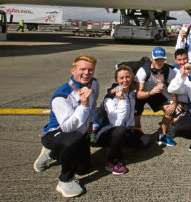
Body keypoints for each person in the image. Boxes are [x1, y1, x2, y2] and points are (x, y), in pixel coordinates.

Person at [33, 55, 100, 198]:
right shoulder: (62, 96)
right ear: (73, 70)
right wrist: (84, 105)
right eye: (82, 69)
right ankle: (65, 179)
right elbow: (67, 128)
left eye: (90, 70)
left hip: (80, 130)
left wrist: (89, 126)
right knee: (72, 138)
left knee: (83, 169)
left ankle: (53, 154)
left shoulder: (93, 83)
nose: (87, 73)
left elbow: (93, 107)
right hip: (57, 132)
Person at [97, 65, 151, 175]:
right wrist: (122, 99)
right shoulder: (111, 96)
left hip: (124, 129)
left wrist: (132, 126)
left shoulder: (130, 93)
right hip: (109, 131)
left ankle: (115, 147)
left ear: (131, 77)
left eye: (127, 77)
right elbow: (117, 123)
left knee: (145, 141)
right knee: (120, 130)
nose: (125, 80)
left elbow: (130, 114)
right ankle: (111, 161)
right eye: (121, 78)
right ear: (117, 80)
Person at [134, 47, 177, 147]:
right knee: (136, 116)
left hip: (155, 93)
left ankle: (162, 135)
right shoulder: (143, 71)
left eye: (161, 59)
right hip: (144, 94)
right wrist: (151, 92)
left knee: (169, 110)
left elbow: (175, 87)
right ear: (151, 59)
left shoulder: (168, 70)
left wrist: (174, 103)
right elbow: (138, 94)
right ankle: (138, 135)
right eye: (156, 59)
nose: (159, 62)